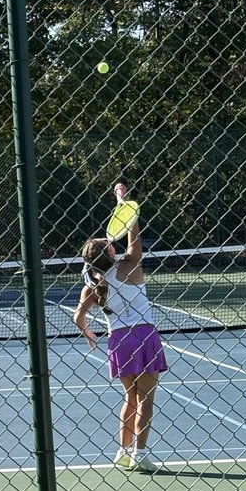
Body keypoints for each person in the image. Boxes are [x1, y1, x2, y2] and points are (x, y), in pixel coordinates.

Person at [73, 184, 167, 474]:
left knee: (131, 397)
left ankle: (122, 452)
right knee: (147, 400)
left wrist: (88, 333)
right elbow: (134, 237)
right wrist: (127, 207)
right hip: (143, 335)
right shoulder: (129, 266)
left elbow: (79, 316)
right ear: (110, 250)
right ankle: (139, 454)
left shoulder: (93, 283)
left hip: (119, 340)